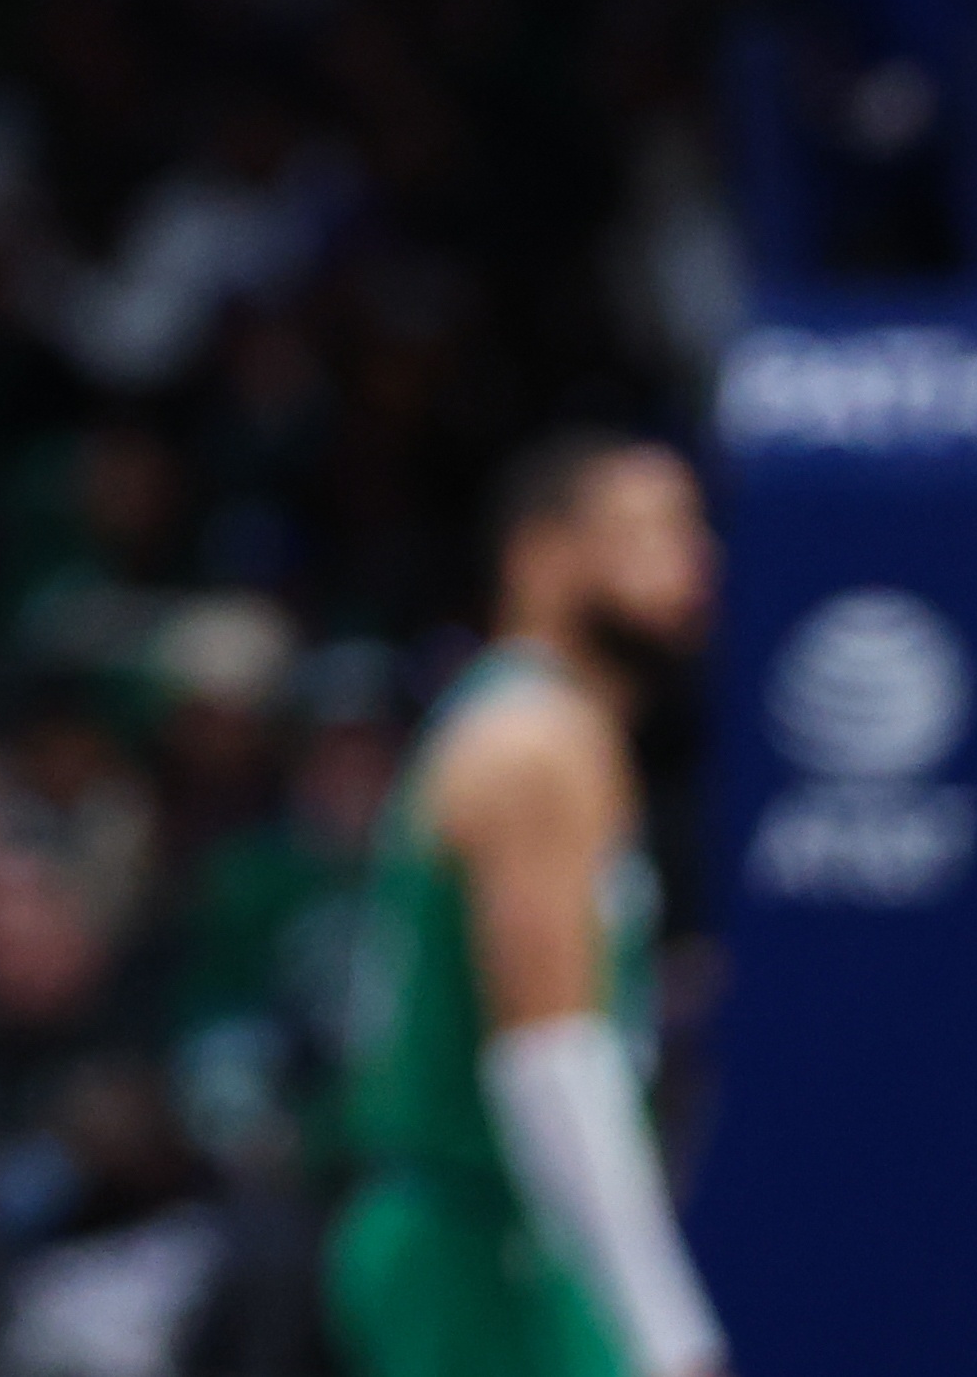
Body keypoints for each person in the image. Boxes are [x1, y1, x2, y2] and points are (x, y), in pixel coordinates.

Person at [327, 434, 728, 1377]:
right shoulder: (538, 741)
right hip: (481, 1242)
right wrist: (670, 1334)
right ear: (540, 556)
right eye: (651, 531)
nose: (695, 560)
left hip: (479, 1229)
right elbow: (551, 1058)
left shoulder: (530, 720)